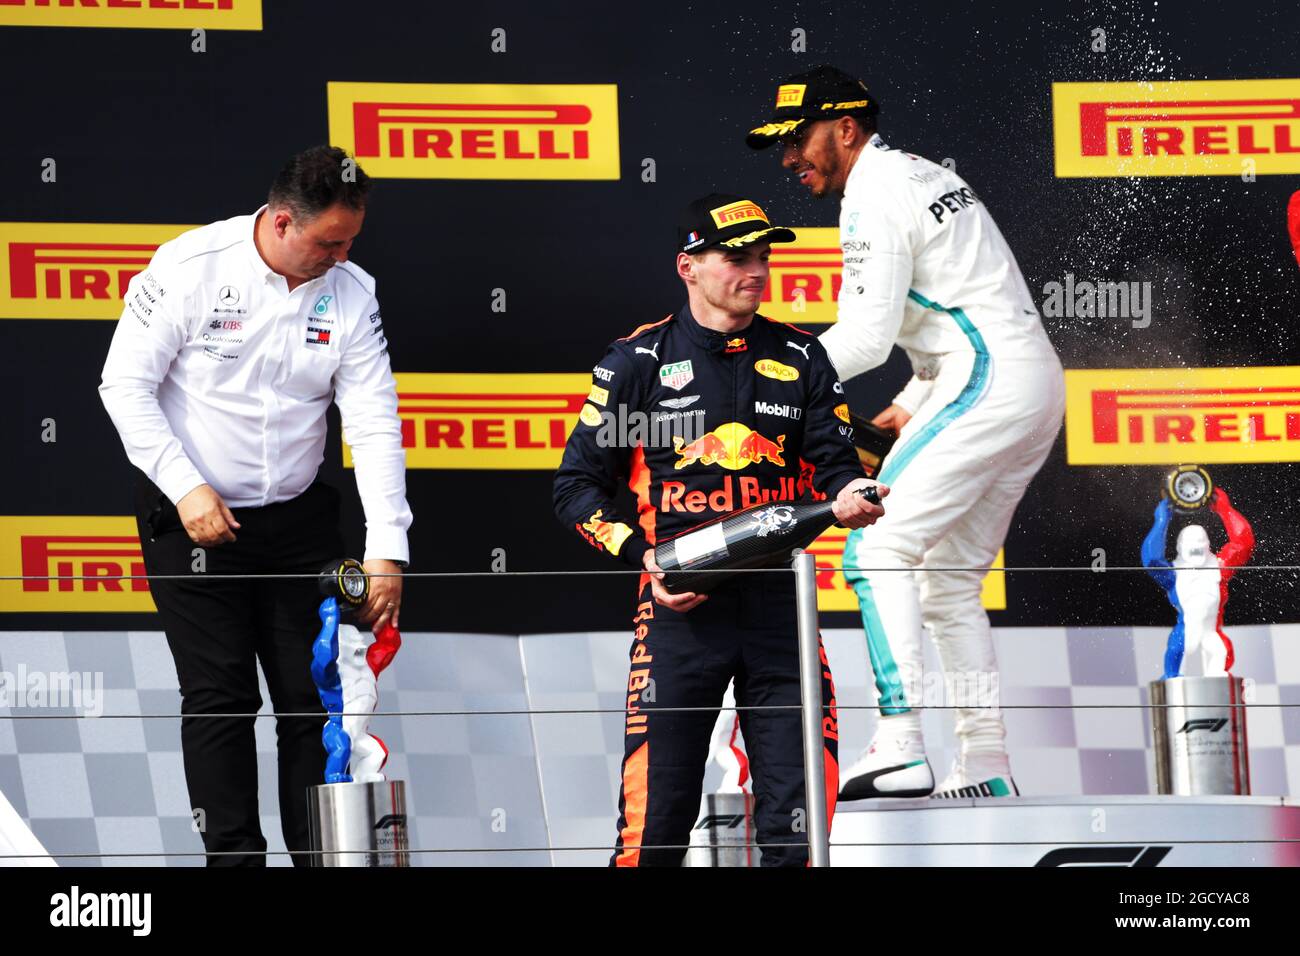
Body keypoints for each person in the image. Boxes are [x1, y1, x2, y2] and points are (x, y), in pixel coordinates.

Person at [746, 66, 1065, 800]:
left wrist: (761, 380)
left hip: (988, 378)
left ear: (846, 129)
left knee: (877, 545)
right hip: (1023, 380)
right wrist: (913, 397)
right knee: (948, 583)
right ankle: (986, 765)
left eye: (799, 139)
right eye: (781, 145)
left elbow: (861, 336)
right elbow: (968, 297)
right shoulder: (915, 173)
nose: (789, 157)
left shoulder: (873, 195)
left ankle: (898, 744)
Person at [99, 145, 412, 865]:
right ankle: (233, 861)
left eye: (351, 241)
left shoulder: (352, 292)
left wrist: (387, 546)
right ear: (278, 221)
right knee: (220, 699)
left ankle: (318, 858)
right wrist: (184, 486)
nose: (341, 254)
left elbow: (372, 422)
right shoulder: (188, 268)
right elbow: (124, 387)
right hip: (194, 520)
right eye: (328, 241)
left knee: (312, 704)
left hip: (300, 522)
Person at [553, 193, 883, 866]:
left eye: (763, 257)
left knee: (799, 832)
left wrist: (851, 492)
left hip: (781, 613)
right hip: (679, 615)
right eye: (737, 258)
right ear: (688, 266)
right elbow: (576, 489)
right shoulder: (637, 362)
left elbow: (835, 466)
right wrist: (643, 558)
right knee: (654, 829)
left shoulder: (801, 356)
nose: (756, 271)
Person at [1142, 489, 1254, 679]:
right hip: (1186, 631)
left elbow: (1243, 543)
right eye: (1190, 543)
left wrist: (1225, 509)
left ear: (1207, 545)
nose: (1195, 547)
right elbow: (1152, 560)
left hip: (1212, 632)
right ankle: (1172, 676)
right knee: (1176, 652)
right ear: (1179, 546)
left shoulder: (1219, 568)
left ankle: (1215, 677)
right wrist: (1162, 520)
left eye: (1200, 542)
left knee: (1220, 653)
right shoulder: (1174, 574)